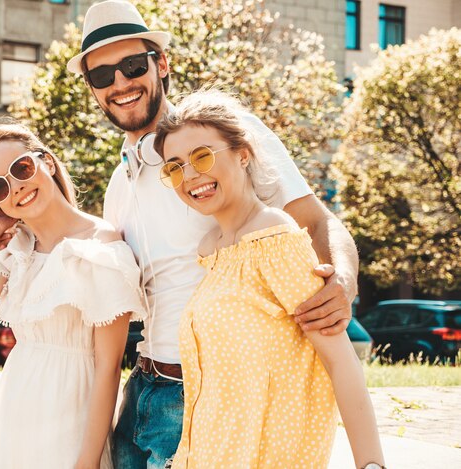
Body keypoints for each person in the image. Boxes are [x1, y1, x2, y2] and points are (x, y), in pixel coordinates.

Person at [66, 1, 359, 466]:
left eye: (132, 66)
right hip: (140, 392)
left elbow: (318, 220)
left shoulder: (224, 140)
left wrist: (343, 278)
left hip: (211, 394)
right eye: (103, 76)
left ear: (161, 65)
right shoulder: (118, 187)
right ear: (93, 90)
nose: (120, 84)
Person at [153, 89, 385, 469]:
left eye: (202, 156)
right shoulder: (210, 250)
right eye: (174, 166)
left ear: (243, 154)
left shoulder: (274, 234)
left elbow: (340, 360)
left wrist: (371, 463)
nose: (190, 175)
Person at [0, 122, 146, 469]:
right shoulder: (19, 250)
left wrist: (88, 460)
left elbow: (108, 367)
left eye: (21, 168)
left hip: (73, 417)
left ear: (47, 163)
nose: (17, 187)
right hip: (16, 417)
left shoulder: (100, 245)